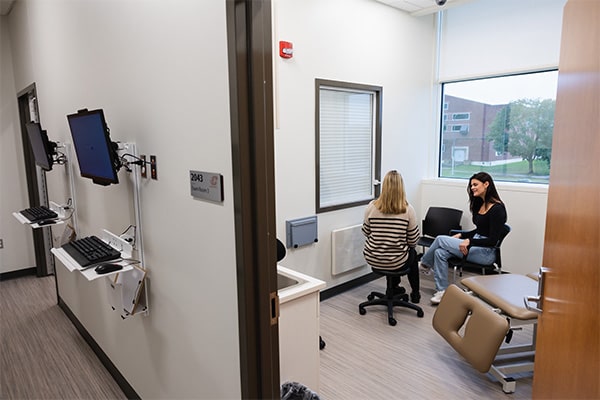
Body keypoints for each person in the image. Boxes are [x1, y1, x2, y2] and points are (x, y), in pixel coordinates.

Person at [421, 172, 507, 304]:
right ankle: (442, 291)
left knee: (440, 239)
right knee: (439, 253)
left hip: (486, 253)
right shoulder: (481, 204)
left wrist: (469, 241)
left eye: (475, 184)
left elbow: (492, 241)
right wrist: (463, 235)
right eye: (471, 185)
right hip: (475, 246)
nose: (472, 187)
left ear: (486, 184)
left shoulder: (498, 209)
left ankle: (424, 264)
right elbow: (480, 230)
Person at [362, 170, 421, 303]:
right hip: (396, 261)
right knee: (412, 253)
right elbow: (413, 240)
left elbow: (366, 232)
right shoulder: (408, 209)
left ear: (384, 187)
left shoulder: (371, 207)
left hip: (373, 258)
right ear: (401, 187)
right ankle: (415, 293)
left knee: (398, 253)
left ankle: (394, 287)